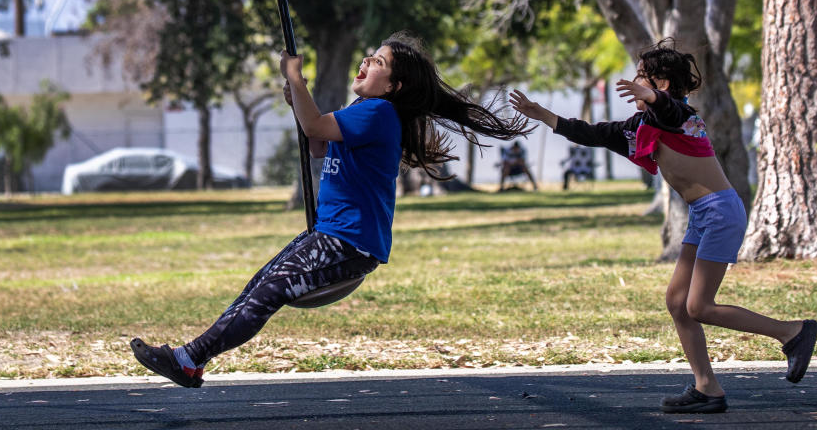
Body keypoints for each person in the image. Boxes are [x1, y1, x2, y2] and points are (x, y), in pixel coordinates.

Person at [132, 31, 531, 388]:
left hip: (348, 242)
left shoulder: (379, 112)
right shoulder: (364, 109)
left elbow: (315, 129)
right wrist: (297, 101)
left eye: (379, 63)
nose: (366, 62)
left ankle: (188, 359)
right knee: (259, 286)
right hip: (329, 234)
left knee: (267, 293)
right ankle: (190, 360)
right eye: (369, 56)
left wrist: (295, 79)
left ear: (394, 85)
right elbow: (319, 145)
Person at [509, 40, 817, 415]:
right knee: (678, 302)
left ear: (661, 85)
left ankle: (791, 333)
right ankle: (708, 388)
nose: (634, 83)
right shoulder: (638, 127)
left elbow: (670, 109)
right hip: (703, 214)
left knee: (699, 306)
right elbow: (589, 133)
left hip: (721, 211)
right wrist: (541, 113)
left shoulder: (679, 116)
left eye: (642, 77)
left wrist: (654, 97)